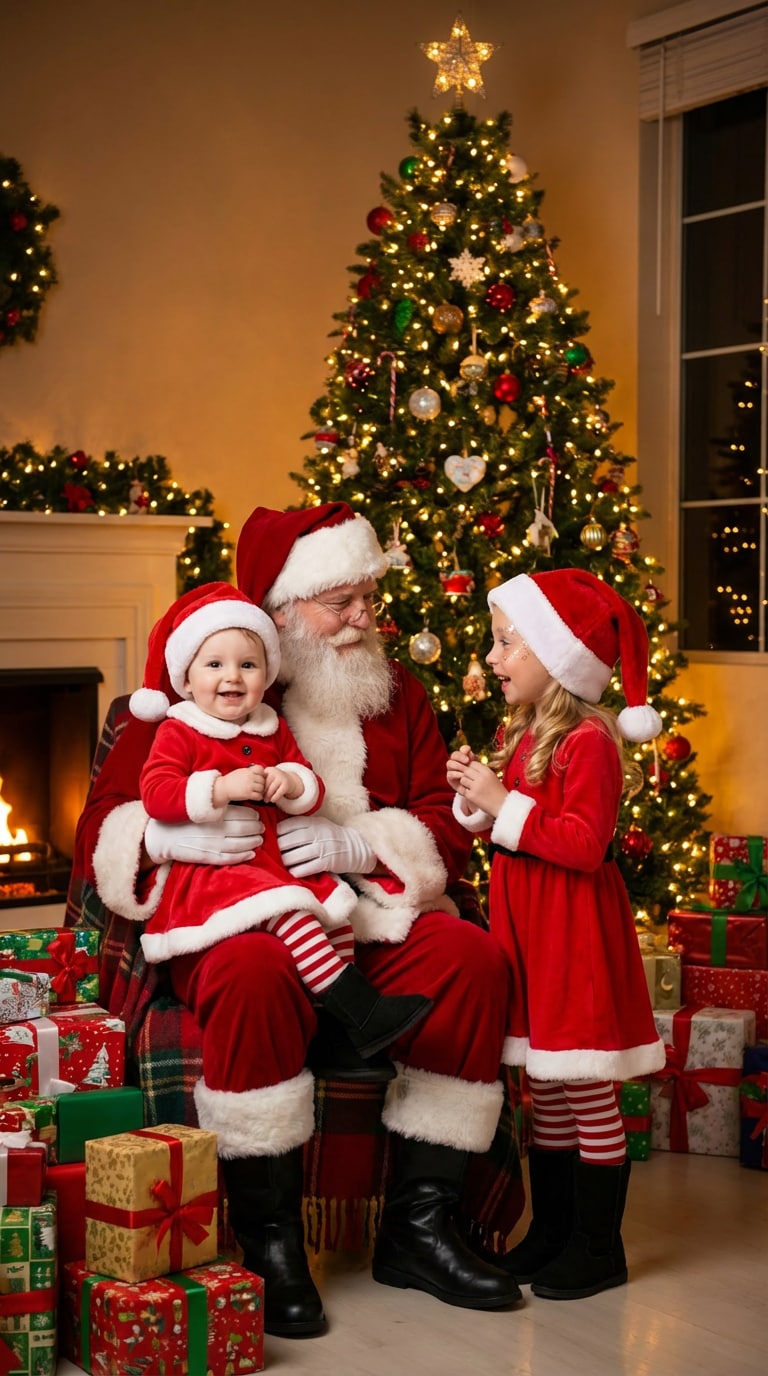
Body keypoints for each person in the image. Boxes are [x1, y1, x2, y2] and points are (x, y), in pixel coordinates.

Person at [73, 501, 521, 1337]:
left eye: (367, 599)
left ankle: (419, 1229)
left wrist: (359, 845)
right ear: (284, 610)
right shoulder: (218, 670)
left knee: (470, 960)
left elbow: (437, 821)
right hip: (233, 923)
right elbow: (105, 822)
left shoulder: (398, 695)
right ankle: (270, 1240)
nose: (363, 619)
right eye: (339, 602)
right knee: (250, 974)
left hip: (365, 914)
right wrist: (179, 835)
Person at [447, 568, 666, 1302]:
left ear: (558, 654)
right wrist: (475, 804)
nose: (494, 657)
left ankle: (599, 1246)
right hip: (529, 940)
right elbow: (513, 829)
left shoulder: (589, 743)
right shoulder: (525, 733)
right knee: (546, 1088)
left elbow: (581, 843)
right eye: (494, 641)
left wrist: (502, 802)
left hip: (572, 942)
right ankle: (551, 1231)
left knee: (586, 1090)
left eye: (508, 642)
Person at [128, 581, 433, 1062]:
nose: (233, 676)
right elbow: (157, 791)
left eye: (247, 665)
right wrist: (218, 790)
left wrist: (291, 784)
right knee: (295, 916)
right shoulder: (180, 729)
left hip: (270, 869)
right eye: (214, 665)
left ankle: (340, 1030)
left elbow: (306, 779)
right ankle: (363, 1011)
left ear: (266, 674)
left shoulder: (269, 723)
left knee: (336, 915)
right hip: (215, 880)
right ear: (185, 680)